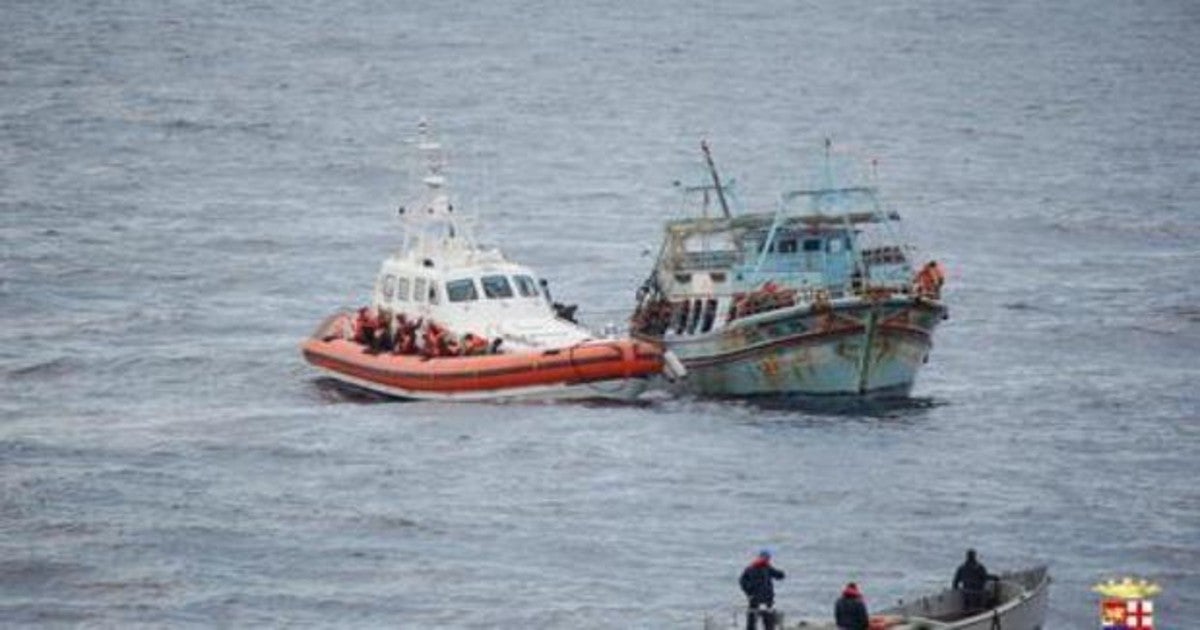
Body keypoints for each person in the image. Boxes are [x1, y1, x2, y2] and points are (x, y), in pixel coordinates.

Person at [739, 549, 785, 630]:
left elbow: (778, 575)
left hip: (762, 598)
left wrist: (749, 592)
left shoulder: (765, 568)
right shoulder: (755, 568)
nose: (767, 560)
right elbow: (742, 581)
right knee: (763, 620)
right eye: (766, 558)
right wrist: (749, 591)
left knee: (758, 620)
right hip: (760, 598)